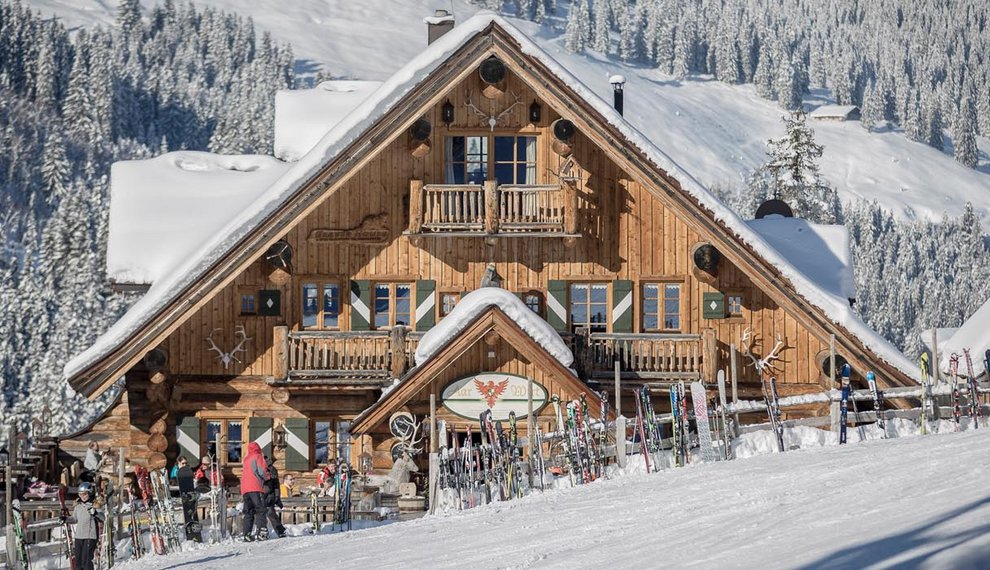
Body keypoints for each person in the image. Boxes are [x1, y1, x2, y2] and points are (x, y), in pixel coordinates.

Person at [63, 481, 103, 570]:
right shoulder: (78, 506)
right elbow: (74, 519)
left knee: (86, 561)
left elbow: (102, 518)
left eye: (84, 494)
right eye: (80, 494)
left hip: (90, 536)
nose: (82, 497)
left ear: (90, 493)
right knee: (78, 562)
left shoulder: (95, 505)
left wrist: (95, 513)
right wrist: (65, 519)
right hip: (79, 537)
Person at [239, 442, 270, 542]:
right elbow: (261, 471)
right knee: (260, 509)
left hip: (245, 488)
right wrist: (267, 477)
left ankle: (247, 533)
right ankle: (262, 531)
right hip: (255, 486)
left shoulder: (246, 459)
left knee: (248, 511)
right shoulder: (257, 456)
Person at [263, 456, 286, 538]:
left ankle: (280, 531)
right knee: (264, 514)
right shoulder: (257, 467)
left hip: (269, 494)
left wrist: (277, 496)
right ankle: (263, 532)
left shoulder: (271, 469)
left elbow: (276, 484)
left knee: (270, 513)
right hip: (261, 493)